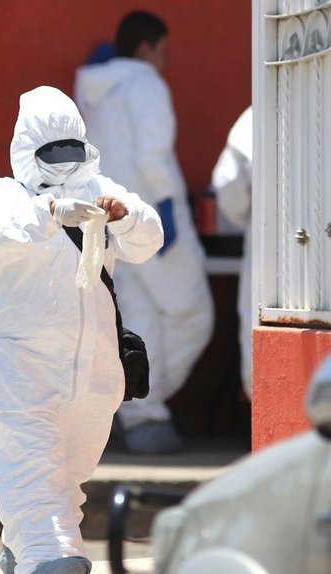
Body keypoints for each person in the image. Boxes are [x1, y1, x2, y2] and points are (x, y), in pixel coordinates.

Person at [0, 86, 163, 574]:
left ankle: (22, 549)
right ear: (27, 152)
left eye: (72, 151)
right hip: (22, 361)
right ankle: (47, 559)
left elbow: (150, 237)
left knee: (69, 472)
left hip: (95, 366)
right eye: (52, 153)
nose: (65, 164)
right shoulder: (0, 195)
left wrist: (123, 217)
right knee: (29, 463)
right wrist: (50, 212)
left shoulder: (102, 189)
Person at [74, 11, 214, 454]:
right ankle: (138, 409)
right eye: (162, 51)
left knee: (135, 319)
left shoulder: (92, 91)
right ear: (144, 49)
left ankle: (131, 410)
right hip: (152, 216)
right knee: (194, 315)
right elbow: (154, 154)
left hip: (106, 219)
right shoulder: (145, 83)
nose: (164, 62)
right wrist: (171, 207)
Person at [212, 106, 254, 401]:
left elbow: (229, 185)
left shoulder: (255, 116)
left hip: (270, 236)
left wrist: (246, 220)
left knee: (258, 319)